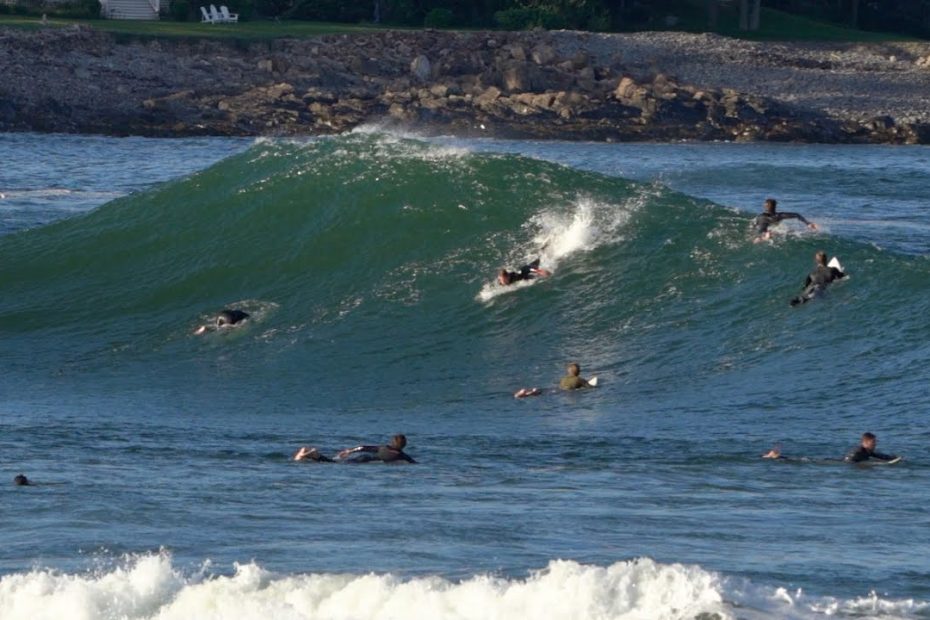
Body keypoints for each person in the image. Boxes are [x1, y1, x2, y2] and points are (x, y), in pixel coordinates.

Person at [336, 434, 416, 464]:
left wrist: (349, 451)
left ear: (393, 442)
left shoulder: (382, 448)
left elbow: (363, 447)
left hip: (364, 458)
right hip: (367, 460)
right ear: (405, 445)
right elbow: (414, 463)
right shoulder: (402, 455)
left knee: (338, 463)